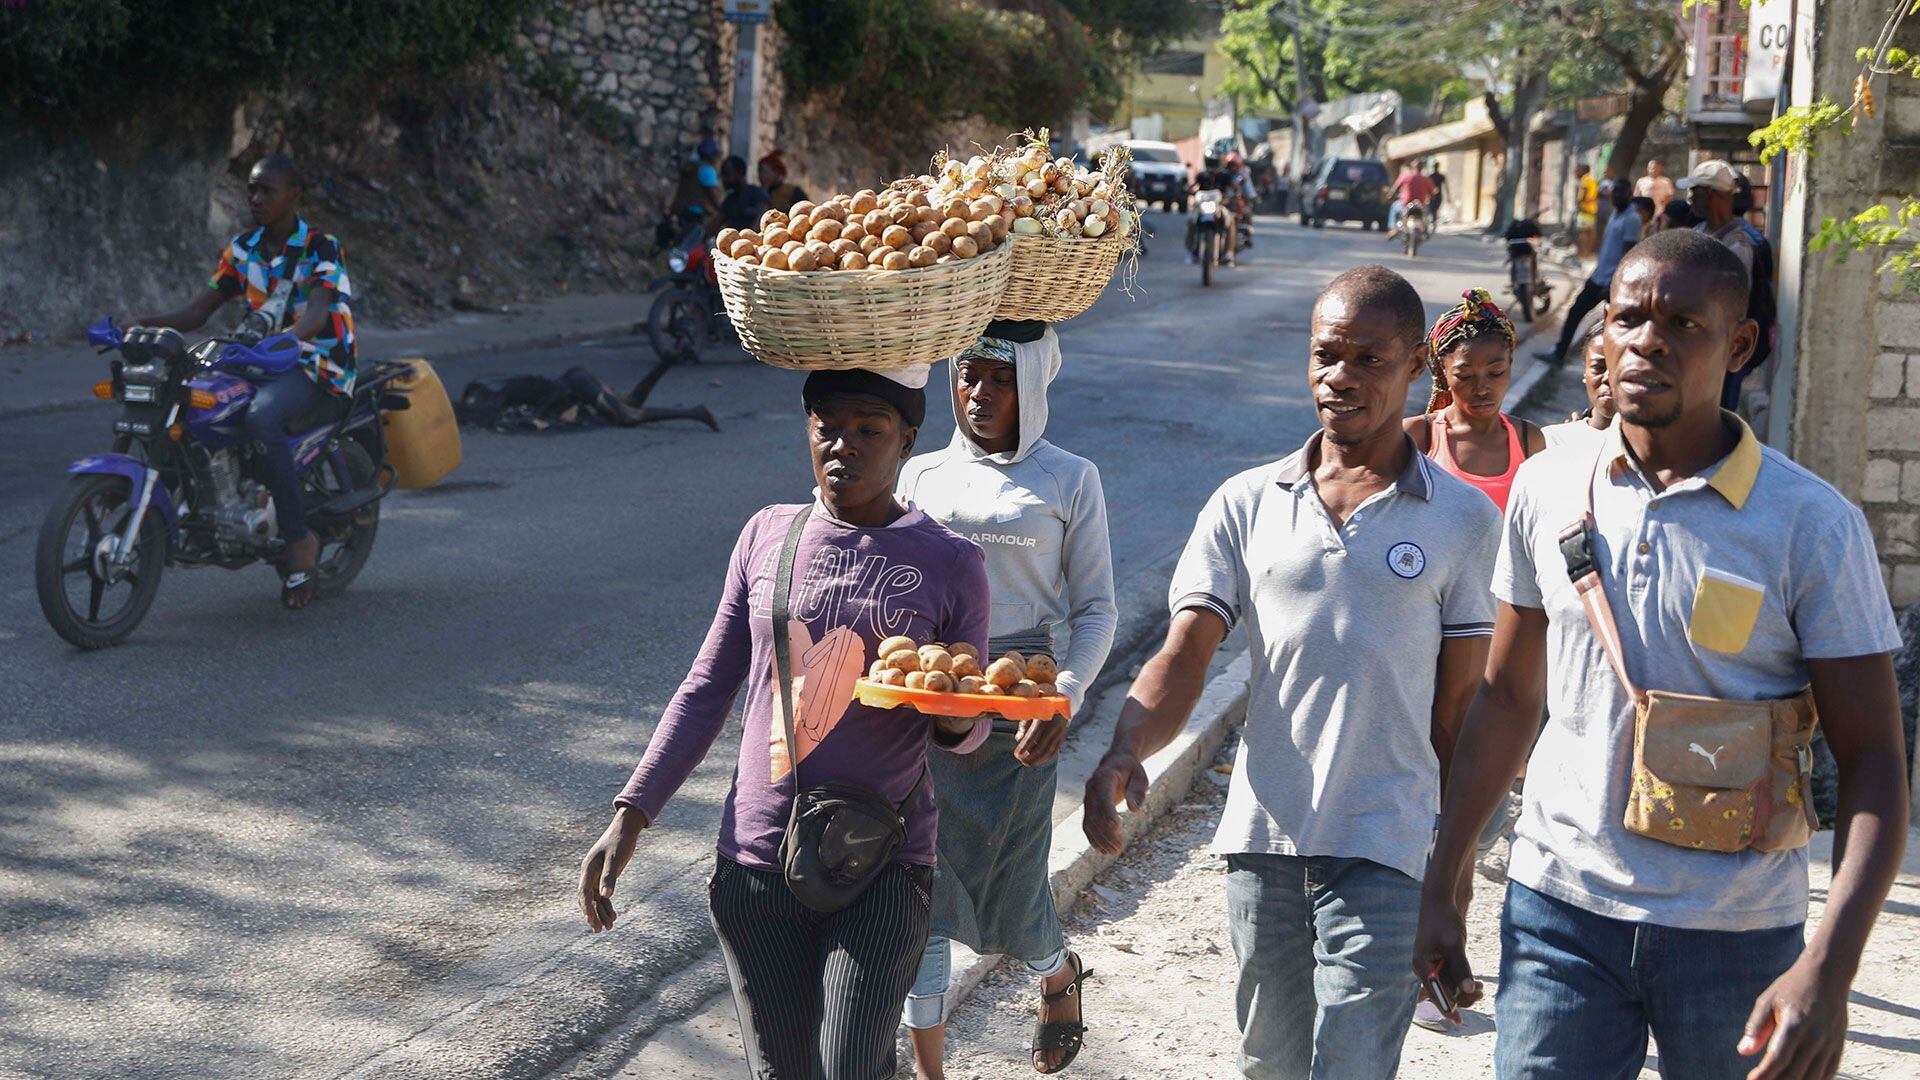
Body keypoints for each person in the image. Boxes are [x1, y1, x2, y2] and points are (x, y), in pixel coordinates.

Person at [1414, 229, 1910, 1080]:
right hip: (1556, 912)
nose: (1648, 341)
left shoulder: (1810, 526)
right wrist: (1442, 882)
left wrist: (1829, 968)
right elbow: (1505, 698)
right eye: (1629, 318)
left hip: (1739, 938)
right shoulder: (1546, 487)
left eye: (1684, 323)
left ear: (1741, 345)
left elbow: (1873, 764)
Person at [1083, 266, 1503, 1080]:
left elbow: (1461, 712)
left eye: (1369, 359)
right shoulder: (1247, 501)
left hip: (1386, 843)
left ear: (1417, 365)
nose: (1340, 378)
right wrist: (1124, 747)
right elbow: (1184, 654)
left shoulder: (1463, 521)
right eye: (1325, 356)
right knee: (1268, 1065)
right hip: (1262, 841)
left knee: (1350, 1064)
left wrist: (1447, 882)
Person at [576, 367, 993, 1080]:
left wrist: (954, 720)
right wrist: (632, 813)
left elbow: (971, 725)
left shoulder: (954, 564)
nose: (844, 446)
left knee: (851, 1065)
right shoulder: (767, 535)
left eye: (869, 430)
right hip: (758, 859)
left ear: (908, 441)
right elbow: (708, 686)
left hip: (884, 862)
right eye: (827, 428)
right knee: (784, 1070)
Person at [897, 322, 1118, 1077]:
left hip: (1020, 695)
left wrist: (1062, 696)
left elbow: (1096, 610)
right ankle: (931, 1071)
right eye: (967, 375)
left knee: (1011, 881)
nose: (978, 393)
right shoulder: (918, 475)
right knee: (918, 881)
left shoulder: (1069, 478)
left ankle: (1057, 972)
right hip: (928, 688)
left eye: (999, 378)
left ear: (1033, 382)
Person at [135, 154, 354, 610]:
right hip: (255, 359)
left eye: (267, 190)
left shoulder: (322, 247)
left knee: (260, 416)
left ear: (293, 195)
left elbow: (316, 316)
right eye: (252, 189)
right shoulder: (243, 249)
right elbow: (198, 312)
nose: (256, 198)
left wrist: (283, 340)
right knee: (192, 399)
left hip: (315, 363)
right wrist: (140, 326)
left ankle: (299, 542)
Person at [1407, 289, 1548, 515]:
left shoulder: (1528, 440)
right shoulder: (1418, 437)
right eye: (1465, 377)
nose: (1482, 389)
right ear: (1443, 372)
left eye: (1496, 373)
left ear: (1510, 364)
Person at [1537, 196, 1655, 365]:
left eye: (1638, 210)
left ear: (1647, 213)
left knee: (1616, 325)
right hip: (1599, 277)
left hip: (1616, 283)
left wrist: (1615, 282)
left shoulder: (1645, 230)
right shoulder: (1618, 216)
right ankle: (1560, 352)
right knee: (1575, 312)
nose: (1635, 214)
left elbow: (1629, 256)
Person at [1540, 321, 1616, 451]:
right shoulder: (1553, 441)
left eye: (1618, 368)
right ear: (1584, 372)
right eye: (1598, 368)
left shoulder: (1654, 452)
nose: (1608, 378)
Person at [1680, 159, 1754, 276]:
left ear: (1709, 193)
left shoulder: (1736, 247)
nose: (1691, 199)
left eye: (1695, 192)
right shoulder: (1698, 231)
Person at [1188, 155, 1238, 267]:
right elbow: (1192, 186)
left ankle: (1228, 253)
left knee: (1230, 221)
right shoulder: (1201, 175)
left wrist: (1233, 194)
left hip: (1219, 206)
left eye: (1214, 163)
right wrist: (1188, 190)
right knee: (1191, 221)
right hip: (1202, 206)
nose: (1212, 166)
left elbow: (1233, 187)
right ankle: (1191, 251)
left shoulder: (1225, 176)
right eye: (1210, 163)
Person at [714, 154, 770, 233]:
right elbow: (715, 222)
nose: (724, 179)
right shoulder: (730, 199)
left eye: (727, 174)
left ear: (740, 173)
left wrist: (747, 238)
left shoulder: (758, 195)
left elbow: (760, 222)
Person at [1388, 162, 1437, 237]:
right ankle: (1426, 230)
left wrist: (1391, 196)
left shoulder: (1405, 176)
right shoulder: (1426, 179)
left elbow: (1394, 189)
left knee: (1394, 207)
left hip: (1406, 204)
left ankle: (1393, 228)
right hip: (1421, 205)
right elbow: (1433, 193)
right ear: (1421, 168)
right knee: (1427, 215)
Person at [1574, 164, 1600, 257]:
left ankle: (1583, 254)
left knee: (1583, 232)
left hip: (1584, 209)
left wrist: (1578, 204)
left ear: (1583, 170)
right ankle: (1588, 252)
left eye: (1578, 169)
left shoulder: (1585, 179)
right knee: (1590, 232)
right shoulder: (1593, 179)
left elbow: (1583, 194)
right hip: (1592, 209)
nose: (1576, 172)